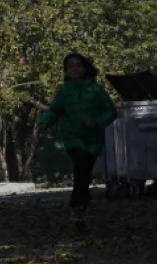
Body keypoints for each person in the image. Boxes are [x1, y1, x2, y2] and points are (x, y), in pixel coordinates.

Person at [38, 53, 117, 233]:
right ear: (66, 71)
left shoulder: (96, 90)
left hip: (92, 139)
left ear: (85, 68)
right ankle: (77, 205)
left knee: (85, 171)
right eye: (71, 66)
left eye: (78, 65)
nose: (75, 69)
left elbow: (111, 112)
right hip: (72, 138)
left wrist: (95, 121)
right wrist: (44, 122)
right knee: (81, 165)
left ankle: (82, 202)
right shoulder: (64, 91)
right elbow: (54, 110)